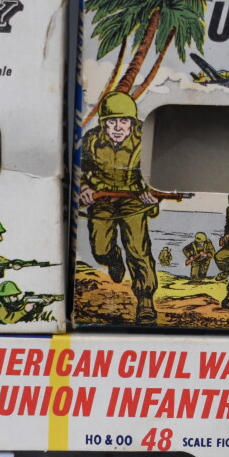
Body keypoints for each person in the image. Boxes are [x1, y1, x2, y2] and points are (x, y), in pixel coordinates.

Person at [78, 91, 161, 324]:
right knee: (100, 249)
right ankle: (114, 260)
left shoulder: (146, 139)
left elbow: (160, 169)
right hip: (102, 199)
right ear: (103, 123)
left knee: (138, 250)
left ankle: (145, 301)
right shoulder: (92, 140)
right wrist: (84, 187)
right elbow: (79, 168)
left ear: (132, 123)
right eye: (111, 121)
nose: (117, 127)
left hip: (134, 198)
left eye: (124, 121)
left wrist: (152, 193)